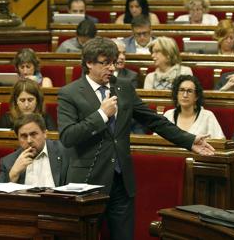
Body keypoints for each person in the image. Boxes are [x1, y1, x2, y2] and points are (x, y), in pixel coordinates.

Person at [58, 37, 214, 240]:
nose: (111, 68)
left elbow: (154, 121)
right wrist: (101, 115)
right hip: (87, 183)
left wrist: (189, 140)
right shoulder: (69, 93)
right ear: (89, 63)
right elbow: (68, 137)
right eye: (105, 63)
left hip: (122, 182)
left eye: (113, 62)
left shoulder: (123, 87)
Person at [0, 113, 68, 186]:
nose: (29, 140)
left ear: (44, 133)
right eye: (24, 136)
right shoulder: (9, 162)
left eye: (33, 134)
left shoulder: (64, 152)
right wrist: (13, 175)